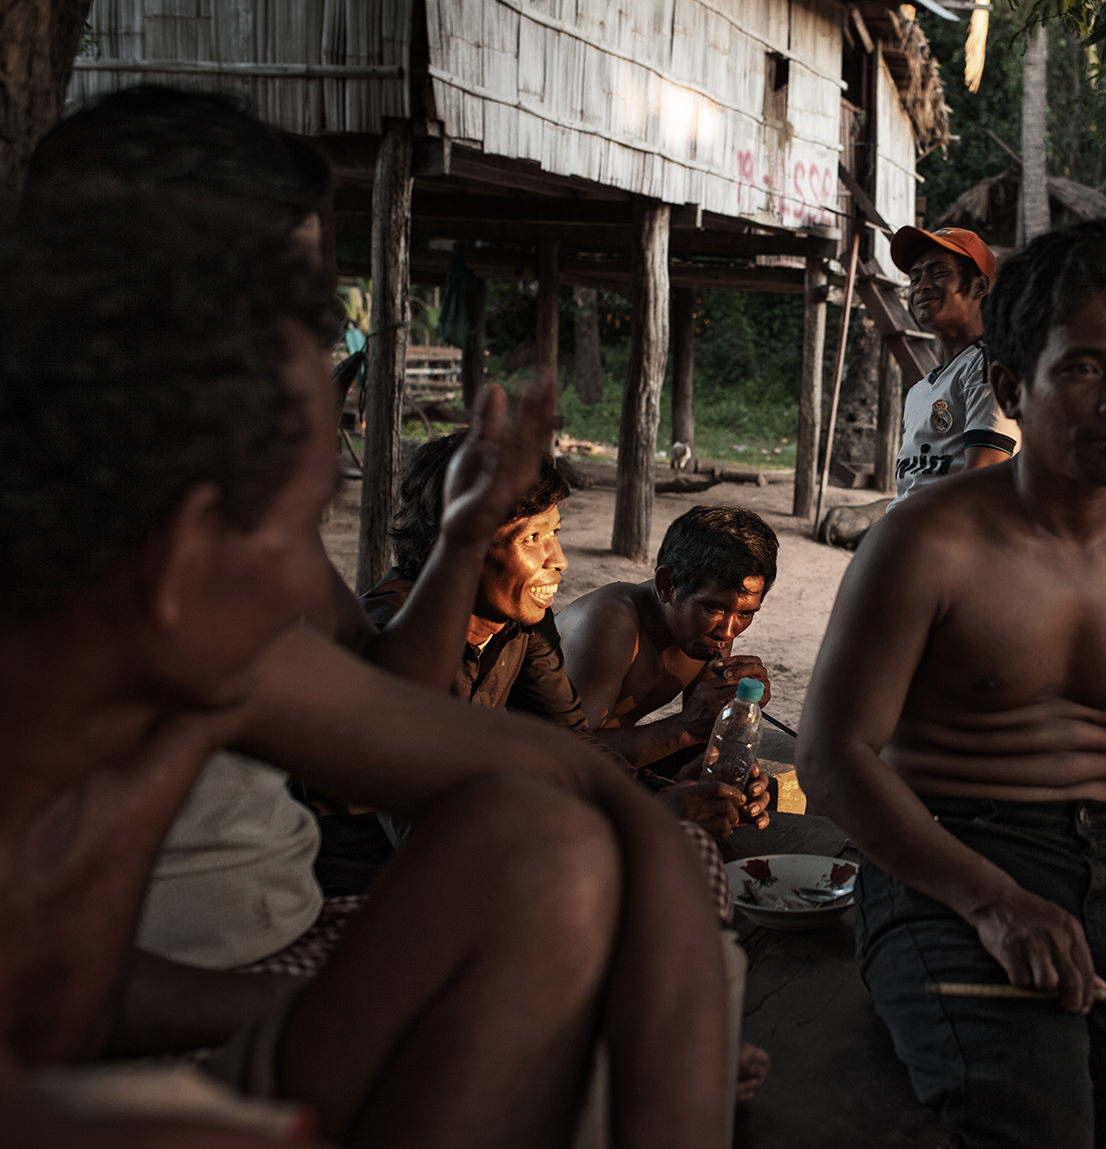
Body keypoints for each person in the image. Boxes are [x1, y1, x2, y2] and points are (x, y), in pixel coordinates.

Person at [0, 189, 729, 1147]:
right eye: (288, 517)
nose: (305, 572)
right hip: (99, 1058)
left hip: (232, 995)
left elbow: (486, 754)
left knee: (550, 838)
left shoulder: (219, 630)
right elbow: (58, 998)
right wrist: (353, 1009)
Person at [798, 222, 1106, 1148]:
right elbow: (832, 757)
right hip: (936, 860)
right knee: (1033, 1122)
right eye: (1083, 368)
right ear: (1008, 389)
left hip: (1101, 865)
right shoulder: (926, 543)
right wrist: (993, 902)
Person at [364, 445, 773, 840]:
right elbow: (426, 826)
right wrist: (645, 811)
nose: (558, 559)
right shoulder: (400, 639)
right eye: (532, 538)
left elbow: (569, 743)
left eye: (554, 532)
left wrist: (660, 792)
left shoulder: (519, 624)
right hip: (358, 869)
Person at [560, 506, 779, 779]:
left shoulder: (711, 634)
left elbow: (703, 736)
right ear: (666, 585)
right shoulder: (609, 623)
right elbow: (561, 753)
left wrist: (737, 714)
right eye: (714, 608)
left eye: (745, 613)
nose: (728, 632)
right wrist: (685, 727)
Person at [889, 225, 1020, 503]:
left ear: (980, 286)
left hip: (951, 539)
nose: (921, 286)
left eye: (939, 273)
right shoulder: (920, 390)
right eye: (914, 279)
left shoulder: (990, 365)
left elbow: (984, 478)